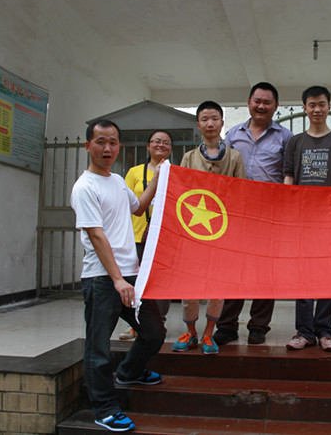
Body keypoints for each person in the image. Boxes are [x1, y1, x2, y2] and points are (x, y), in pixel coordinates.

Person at [70, 119, 166, 432]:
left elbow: (138, 207)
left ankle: (129, 372)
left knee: (154, 333)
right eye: (100, 142)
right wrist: (117, 279)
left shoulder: (117, 181)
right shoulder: (85, 187)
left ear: (119, 146)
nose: (107, 148)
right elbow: (96, 236)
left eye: (113, 142)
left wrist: (158, 178)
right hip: (102, 279)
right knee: (98, 348)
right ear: (88, 146)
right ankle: (105, 409)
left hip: (130, 275)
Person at [213, 82, 293, 346]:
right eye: (257, 101)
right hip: (236, 214)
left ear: (276, 106)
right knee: (233, 270)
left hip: (269, 214)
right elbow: (221, 168)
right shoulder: (233, 134)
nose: (261, 106)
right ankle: (226, 326)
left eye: (267, 102)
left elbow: (289, 175)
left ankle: (259, 326)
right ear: (248, 102)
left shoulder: (286, 137)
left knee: (265, 271)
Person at [172, 101, 246, 355]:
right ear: (198, 125)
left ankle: (208, 334)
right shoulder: (188, 158)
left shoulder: (234, 157)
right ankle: (190, 332)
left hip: (223, 232)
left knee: (218, 286)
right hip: (193, 232)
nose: (210, 123)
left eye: (215, 118)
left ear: (222, 123)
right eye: (205, 119)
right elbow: (181, 194)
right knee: (189, 286)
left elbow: (241, 193)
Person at [283, 85, 331, 352]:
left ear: (329, 107)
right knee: (302, 274)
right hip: (302, 218)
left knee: (328, 274)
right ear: (305, 108)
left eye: (321, 104)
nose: (317, 109)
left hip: (330, 218)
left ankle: (325, 331)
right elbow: (289, 175)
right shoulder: (296, 142)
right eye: (312, 104)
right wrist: (289, 210)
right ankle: (304, 332)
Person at [119, 130, 174, 340]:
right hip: (138, 234)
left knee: (161, 283)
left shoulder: (175, 172)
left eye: (166, 142)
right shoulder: (134, 172)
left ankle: (158, 323)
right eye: (156, 141)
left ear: (171, 148)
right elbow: (126, 202)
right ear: (148, 146)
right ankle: (135, 324)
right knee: (136, 281)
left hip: (164, 237)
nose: (161, 145)